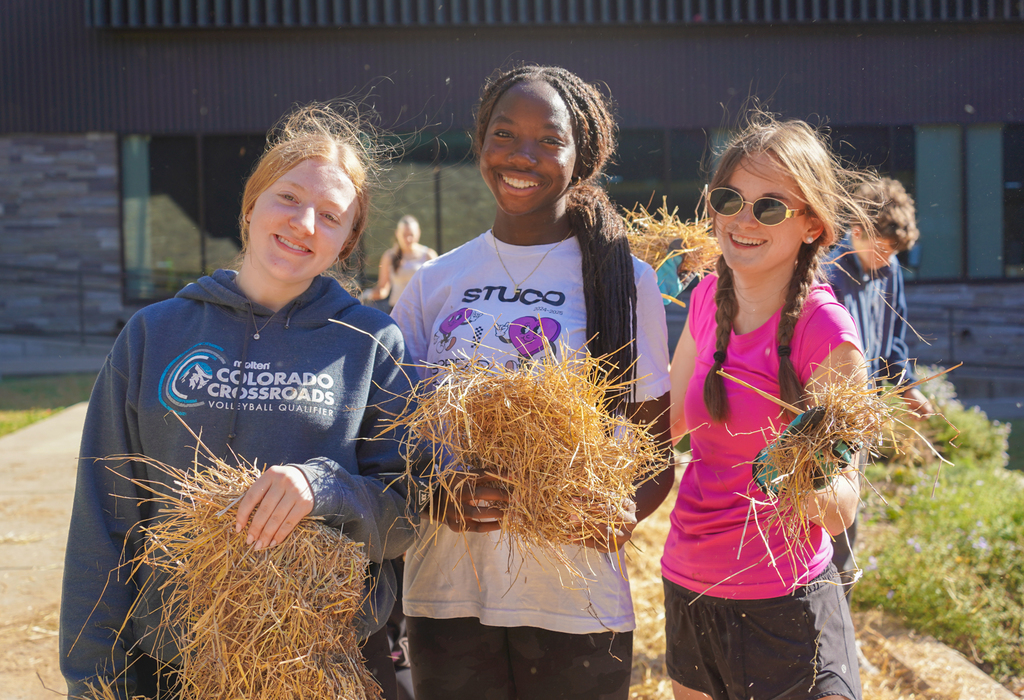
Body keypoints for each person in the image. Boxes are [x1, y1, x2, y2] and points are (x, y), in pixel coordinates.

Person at [59, 103, 416, 700]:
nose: (304, 223)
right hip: (175, 664)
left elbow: (411, 508)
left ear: (348, 242)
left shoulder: (372, 342)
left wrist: (324, 488)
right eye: (288, 198)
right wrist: (94, 681)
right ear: (251, 206)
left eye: (331, 216)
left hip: (323, 663)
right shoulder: (154, 334)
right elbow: (104, 516)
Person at [389, 65, 674, 700]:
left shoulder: (626, 282)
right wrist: (430, 495)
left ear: (583, 155)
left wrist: (622, 513)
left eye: (550, 140)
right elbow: (387, 443)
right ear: (481, 143)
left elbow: (655, 456)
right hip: (446, 595)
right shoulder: (433, 283)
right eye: (504, 134)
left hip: (574, 604)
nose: (523, 156)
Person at [662, 114, 873, 700]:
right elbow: (666, 423)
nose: (743, 220)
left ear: (812, 225)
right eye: (729, 199)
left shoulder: (825, 330)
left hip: (784, 605)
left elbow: (840, 513)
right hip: (688, 586)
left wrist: (799, 473)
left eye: (770, 207)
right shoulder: (706, 296)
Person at [824, 175, 932, 587]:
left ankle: (842, 626)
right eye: (881, 248)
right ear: (856, 230)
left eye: (893, 252)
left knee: (846, 518)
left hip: (860, 418)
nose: (886, 259)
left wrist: (909, 389)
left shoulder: (890, 273)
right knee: (819, 517)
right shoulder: (826, 272)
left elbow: (893, 346)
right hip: (821, 415)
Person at [362, 215, 437, 310]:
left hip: (421, 309)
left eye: (411, 235)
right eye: (405, 235)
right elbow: (383, 290)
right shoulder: (389, 256)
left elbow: (436, 286)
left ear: (418, 233)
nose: (408, 239)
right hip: (397, 309)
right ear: (397, 234)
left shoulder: (428, 255)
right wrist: (366, 295)